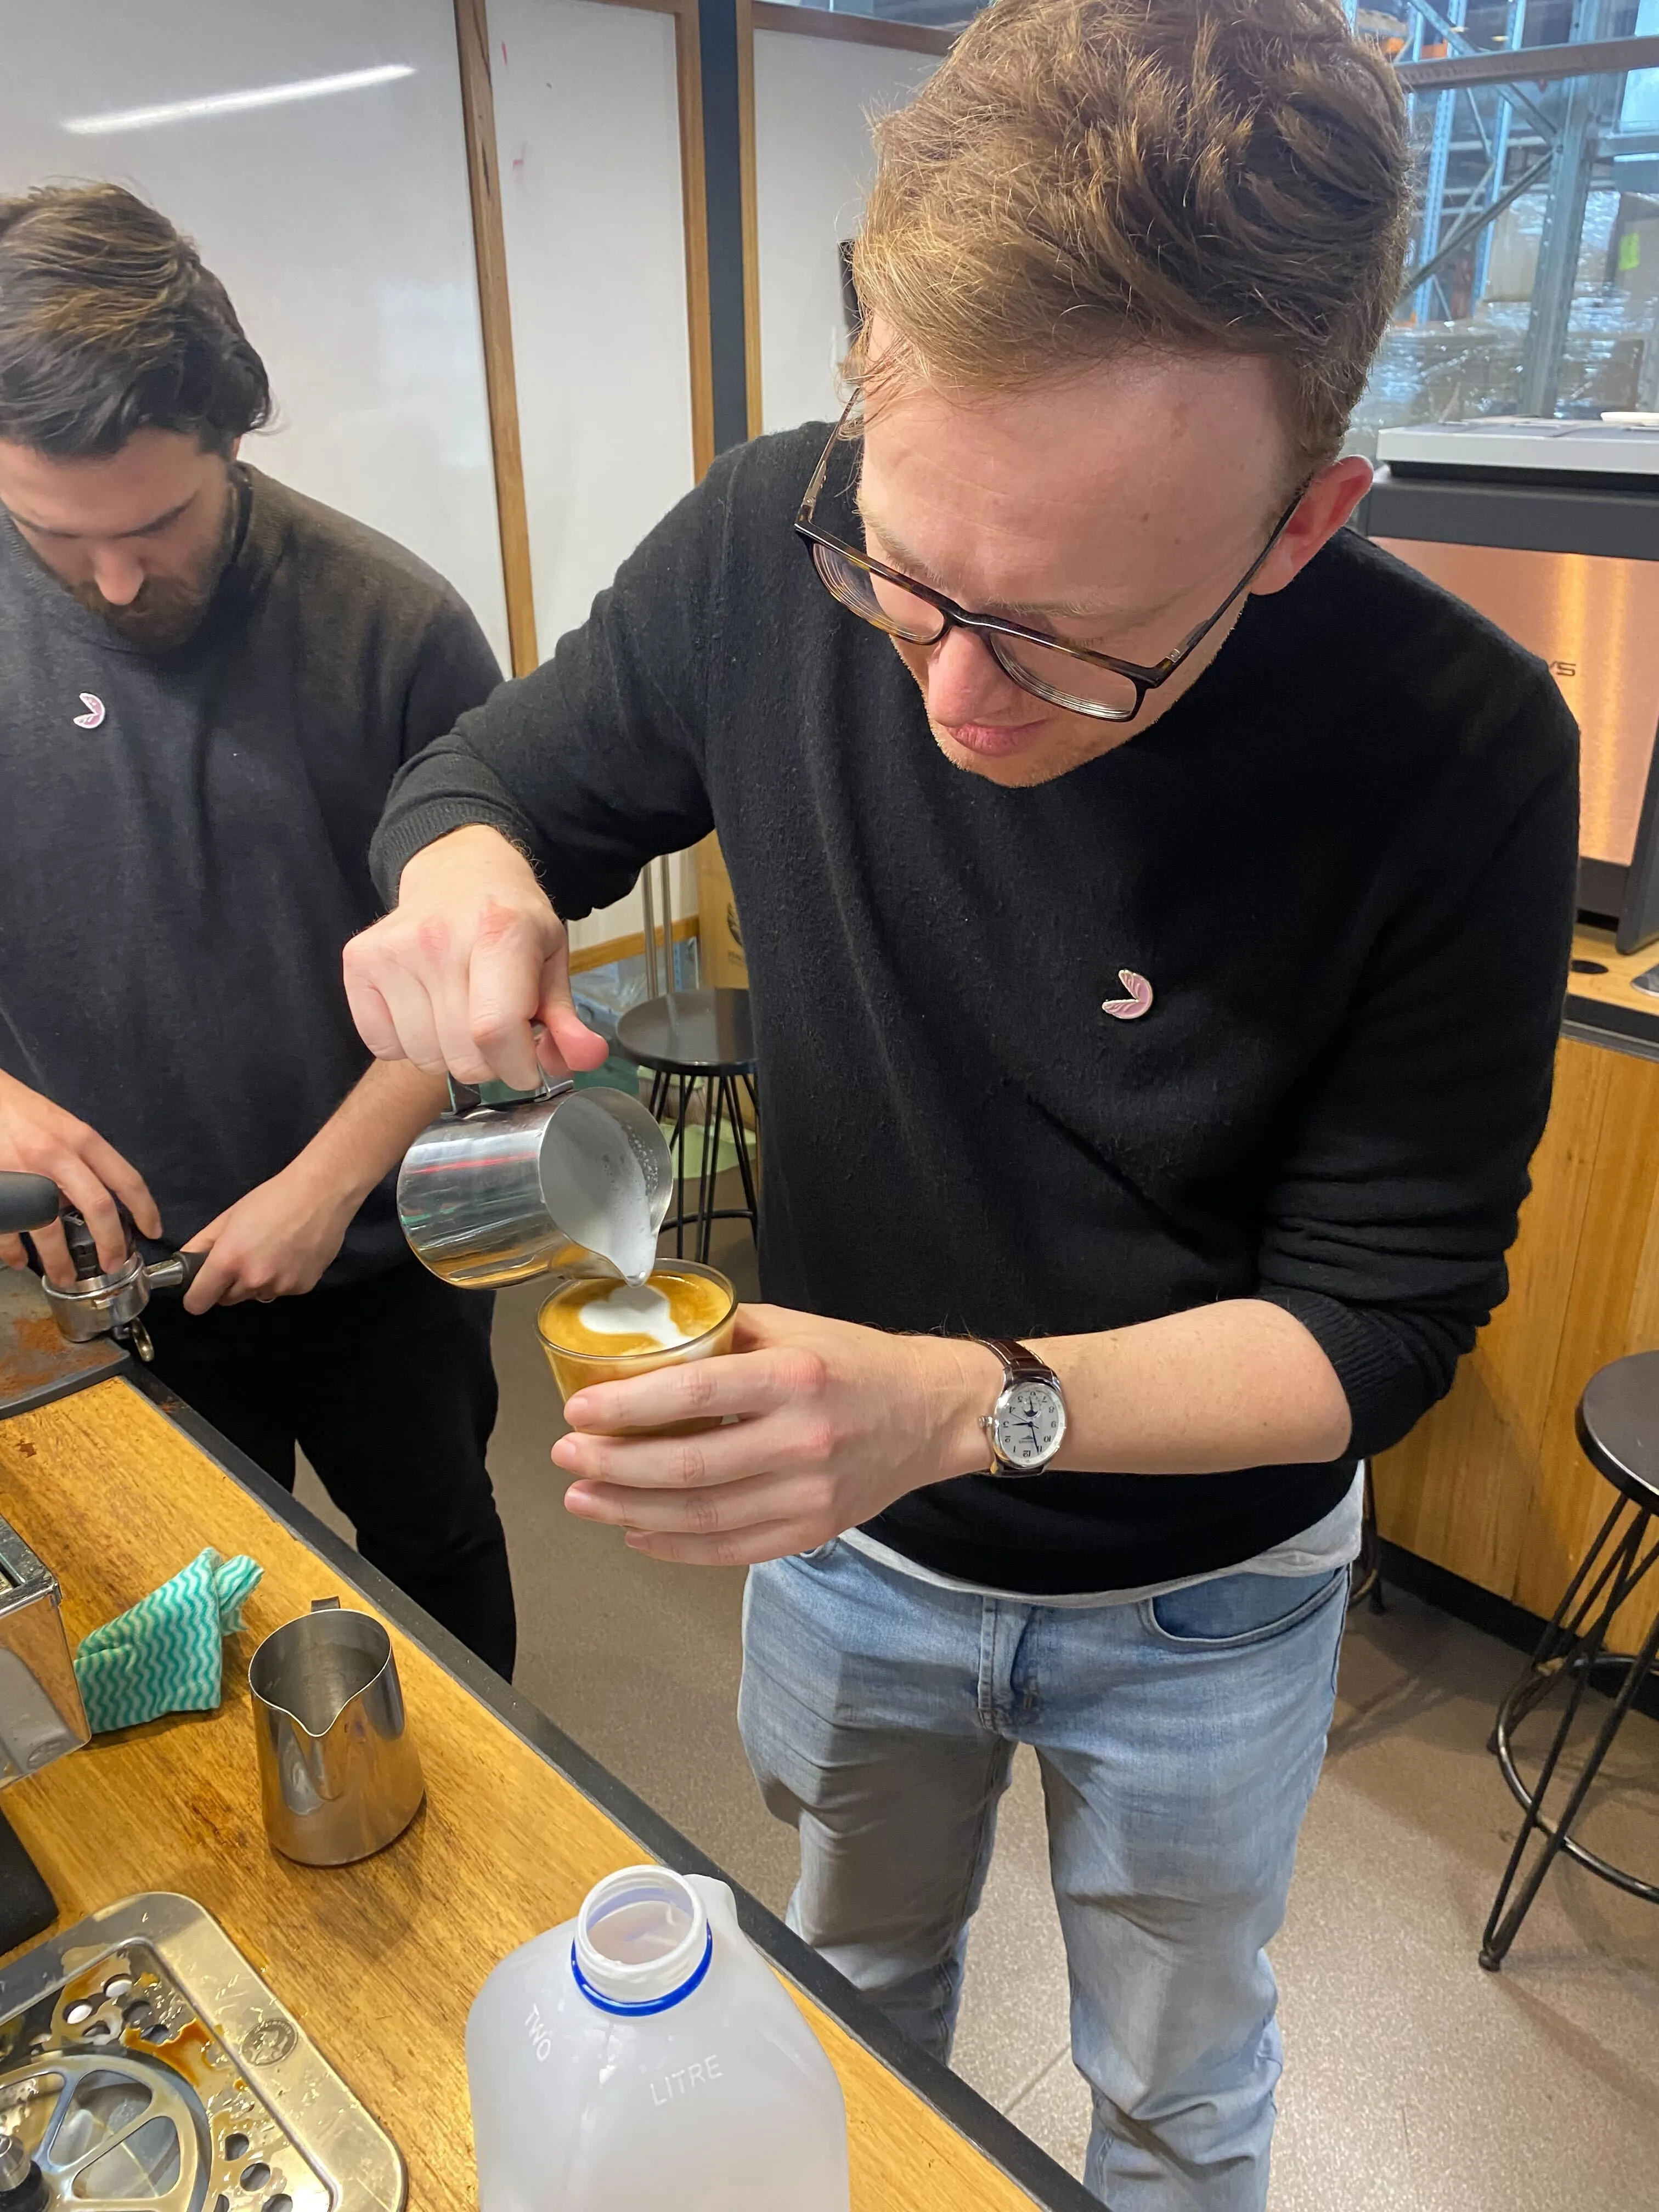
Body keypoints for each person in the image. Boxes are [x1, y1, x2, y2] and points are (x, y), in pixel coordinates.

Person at [343, 0, 1578, 2201]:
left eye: (1077, 640)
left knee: (1180, 2099)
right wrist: (458, 882)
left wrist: (957, 1405)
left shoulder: (1458, 746)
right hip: (856, 1555)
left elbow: (1378, 1327)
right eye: (903, 579)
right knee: (838, 2006)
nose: (950, 697)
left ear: (1304, 521)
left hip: (1208, 1594)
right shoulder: (757, 541)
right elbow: (493, 782)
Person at [0, 183, 517, 1677]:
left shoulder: (390, 626)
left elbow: (473, 984)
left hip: (381, 1255)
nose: (111, 579)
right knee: (191, 1590)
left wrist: (321, 1187)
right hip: (102, 1267)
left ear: (234, 432)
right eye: (53, 533)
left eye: (158, 524)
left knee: (432, 1545)